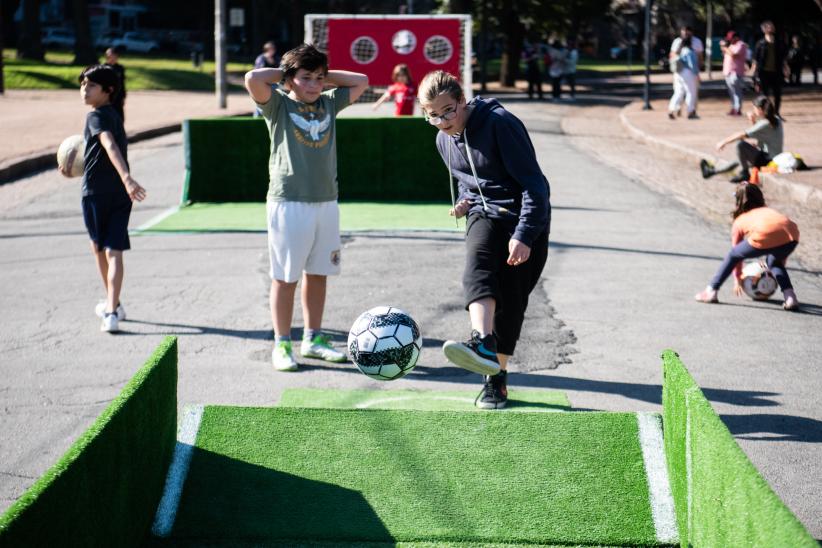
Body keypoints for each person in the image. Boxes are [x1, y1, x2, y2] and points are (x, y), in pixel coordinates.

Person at [417, 70, 551, 409]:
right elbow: (469, 180)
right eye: (432, 114)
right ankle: (482, 344)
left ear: (462, 101)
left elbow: (536, 187)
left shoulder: (500, 124)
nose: (442, 121)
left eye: (447, 111)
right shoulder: (441, 140)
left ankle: (496, 375)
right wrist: (465, 199)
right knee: (476, 267)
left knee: (511, 302)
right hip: (483, 214)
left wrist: (523, 235)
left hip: (523, 216)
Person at [244, 44, 369, 371]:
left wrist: (323, 76)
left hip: (327, 202)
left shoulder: (330, 102)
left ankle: (313, 338)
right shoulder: (278, 105)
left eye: (319, 78)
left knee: (319, 273)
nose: (314, 85)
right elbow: (253, 77)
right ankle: (282, 343)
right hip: (289, 203)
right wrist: (287, 78)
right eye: (306, 78)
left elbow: (362, 80)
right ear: (288, 80)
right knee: (285, 278)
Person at [58, 65, 147, 333]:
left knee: (100, 249)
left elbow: (108, 145)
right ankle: (112, 306)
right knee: (114, 251)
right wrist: (126, 180)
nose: (84, 88)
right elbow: (101, 150)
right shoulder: (114, 114)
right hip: (121, 193)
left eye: (91, 85)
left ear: (108, 90)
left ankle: (112, 308)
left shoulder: (95, 116)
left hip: (96, 192)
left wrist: (127, 177)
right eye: (83, 84)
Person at [694, 183, 799, 311]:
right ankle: (790, 297)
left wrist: (737, 278)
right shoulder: (768, 211)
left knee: (732, 254)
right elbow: (780, 242)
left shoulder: (740, 220)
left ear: (738, 201)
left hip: (766, 234)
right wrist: (776, 266)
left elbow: (737, 255)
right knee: (774, 262)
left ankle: (711, 290)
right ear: (760, 197)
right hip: (792, 234)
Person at [701, 95, 783, 183]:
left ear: (759, 109)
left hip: (767, 161)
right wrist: (752, 120)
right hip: (772, 158)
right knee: (740, 158)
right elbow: (760, 134)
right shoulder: (776, 120)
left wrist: (723, 142)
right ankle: (711, 172)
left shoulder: (765, 123)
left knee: (740, 144)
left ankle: (744, 173)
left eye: (754, 108)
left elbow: (741, 134)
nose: (753, 110)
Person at [751, 21, 788, 116]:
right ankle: (767, 113)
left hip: (776, 72)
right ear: (764, 30)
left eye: (772, 26)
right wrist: (753, 74)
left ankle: (777, 113)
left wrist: (786, 68)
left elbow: (783, 58)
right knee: (764, 95)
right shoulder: (760, 43)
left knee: (778, 94)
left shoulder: (779, 43)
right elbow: (755, 60)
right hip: (763, 73)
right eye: (768, 27)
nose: (771, 28)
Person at [668, 35, 699, 119]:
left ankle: (671, 109)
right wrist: (697, 75)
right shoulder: (689, 51)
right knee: (691, 92)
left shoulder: (680, 52)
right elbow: (692, 65)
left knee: (678, 92)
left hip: (678, 73)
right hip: (688, 73)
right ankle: (690, 111)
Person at [720, 31, 748, 115]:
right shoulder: (731, 45)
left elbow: (734, 55)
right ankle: (734, 107)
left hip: (736, 72)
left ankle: (738, 108)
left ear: (736, 37)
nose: (730, 40)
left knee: (737, 91)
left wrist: (725, 48)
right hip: (728, 71)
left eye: (731, 38)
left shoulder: (741, 44)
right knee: (731, 92)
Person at [103, 47, 126, 122]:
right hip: (106, 96)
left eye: (112, 55)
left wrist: (123, 96)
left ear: (116, 56)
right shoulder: (103, 68)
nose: (109, 57)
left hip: (118, 96)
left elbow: (122, 83)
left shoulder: (120, 68)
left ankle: (119, 132)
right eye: (108, 55)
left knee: (119, 117)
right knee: (107, 117)